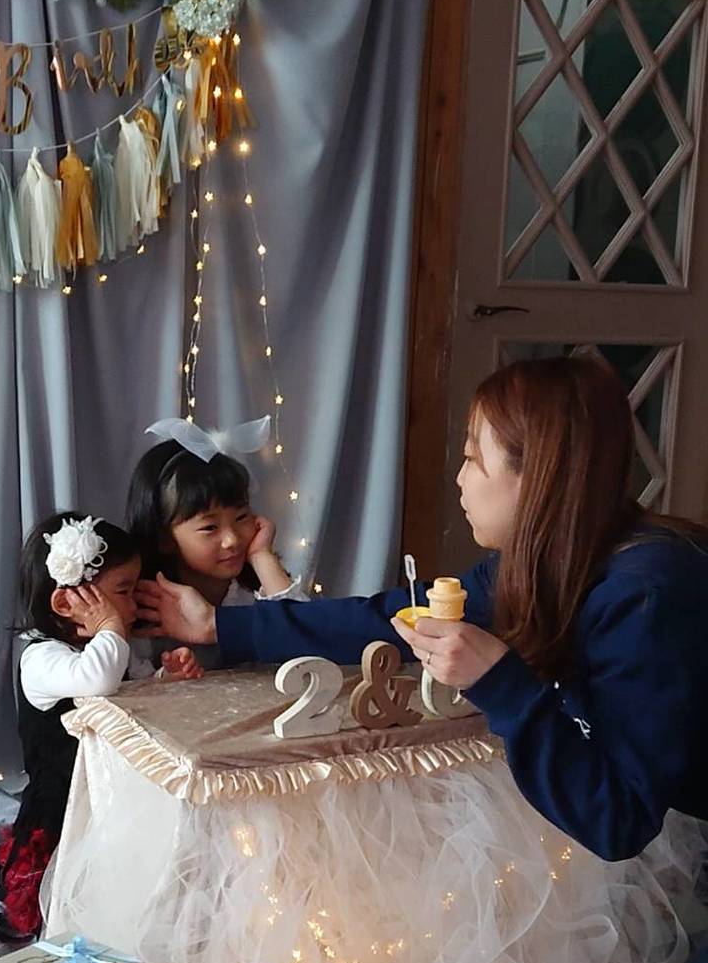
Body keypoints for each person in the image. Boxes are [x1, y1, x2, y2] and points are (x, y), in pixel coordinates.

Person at [137, 358, 708, 862]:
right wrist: (220, 624)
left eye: (472, 459)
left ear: (537, 477)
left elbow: (618, 821)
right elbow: (387, 615)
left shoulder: (645, 596)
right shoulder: (545, 560)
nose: (458, 480)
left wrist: (499, 680)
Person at [0, 511, 199, 938]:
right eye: (124, 591)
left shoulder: (108, 649)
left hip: (110, 790)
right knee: (49, 896)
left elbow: (129, 696)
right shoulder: (42, 658)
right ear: (65, 603)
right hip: (63, 796)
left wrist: (165, 678)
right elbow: (97, 680)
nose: (133, 605)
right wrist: (110, 627)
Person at [125, 415, 307, 675]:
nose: (232, 540)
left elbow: (308, 636)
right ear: (164, 538)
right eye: (210, 527)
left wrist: (262, 556)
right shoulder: (147, 608)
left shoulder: (253, 591)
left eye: (241, 517)